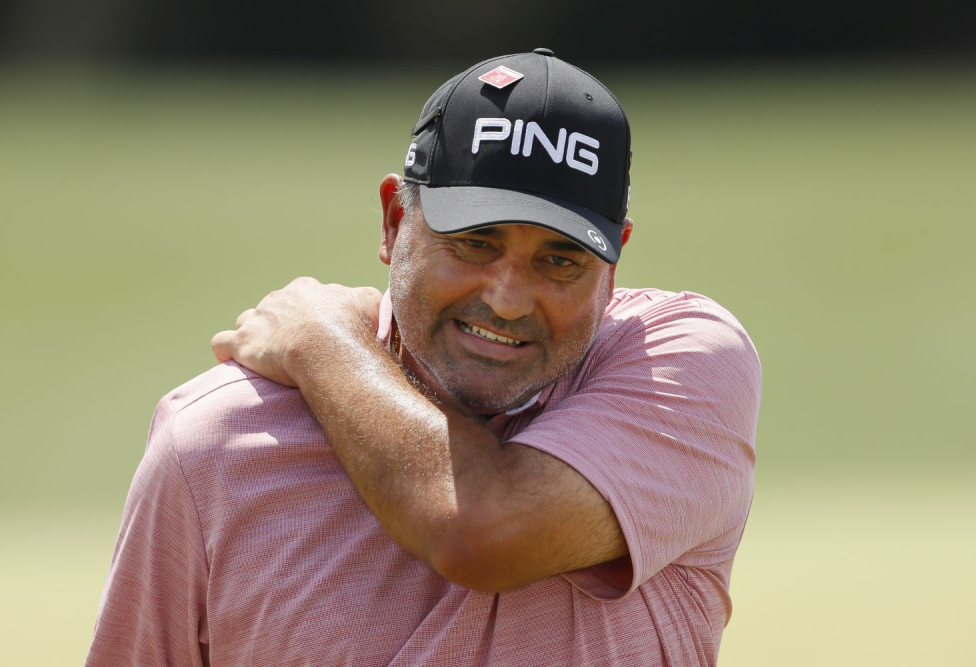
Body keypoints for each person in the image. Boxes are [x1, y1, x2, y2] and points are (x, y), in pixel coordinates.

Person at [87, 49, 761, 666]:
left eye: (560, 260)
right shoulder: (211, 445)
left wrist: (320, 339)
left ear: (613, 268)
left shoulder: (681, 365)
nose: (506, 298)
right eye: (474, 241)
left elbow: (485, 534)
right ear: (392, 221)